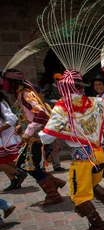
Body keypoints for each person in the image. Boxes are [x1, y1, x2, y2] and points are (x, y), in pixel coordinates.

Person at [41, 70, 104, 230]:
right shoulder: (93, 102)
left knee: (79, 193)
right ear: (80, 87)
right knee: (91, 184)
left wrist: (39, 135)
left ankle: (98, 225)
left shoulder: (62, 106)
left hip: (83, 157)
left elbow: (47, 138)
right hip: (98, 153)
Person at [1, 69, 65, 206]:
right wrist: (20, 126)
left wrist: (28, 130)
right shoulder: (20, 95)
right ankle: (54, 182)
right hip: (30, 138)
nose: (4, 86)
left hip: (36, 137)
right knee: (25, 164)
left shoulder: (26, 94)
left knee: (29, 166)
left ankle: (53, 194)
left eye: (6, 82)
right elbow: (28, 115)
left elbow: (41, 114)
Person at [0, 91, 26, 191]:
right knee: (6, 161)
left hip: (7, 137)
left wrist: (1, 129)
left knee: (6, 161)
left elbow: (12, 119)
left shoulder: (1, 104)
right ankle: (14, 181)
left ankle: (18, 173)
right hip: (3, 138)